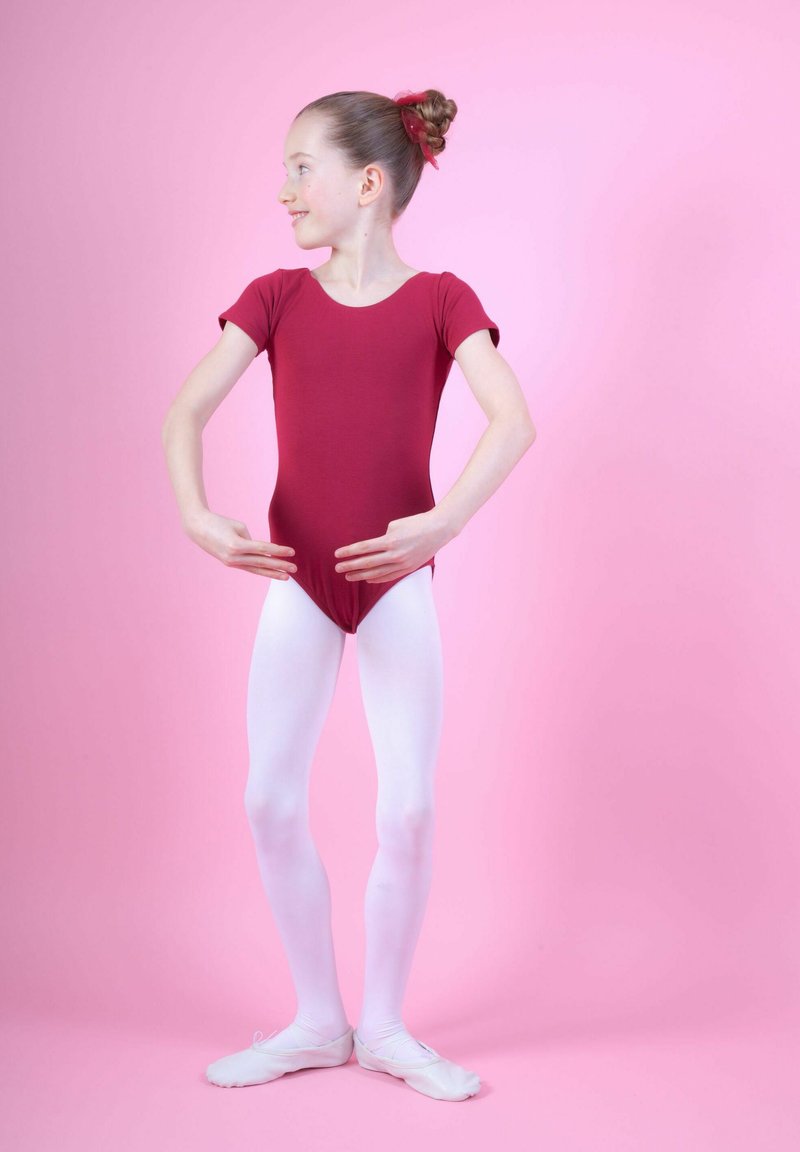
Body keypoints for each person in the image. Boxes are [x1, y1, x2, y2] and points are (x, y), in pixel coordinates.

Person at [161, 88, 536, 1102]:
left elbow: (512, 420)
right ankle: (317, 1021)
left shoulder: (442, 299)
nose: (284, 190)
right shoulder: (275, 296)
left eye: (300, 168)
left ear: (367, 183)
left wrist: (441, 522)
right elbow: (185, 411)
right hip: (299, 578)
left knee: (406, 809)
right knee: (268, 799)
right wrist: (198, 514)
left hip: (394, 581)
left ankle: (387, 1027)